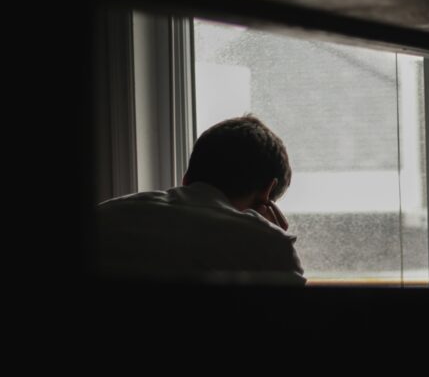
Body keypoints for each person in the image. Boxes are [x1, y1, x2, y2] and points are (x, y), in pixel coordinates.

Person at [96, 115, 305, 285]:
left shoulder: (104, 216)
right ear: (266, 194)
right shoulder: (267, 247)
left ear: (186, 178)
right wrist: (270, 233)